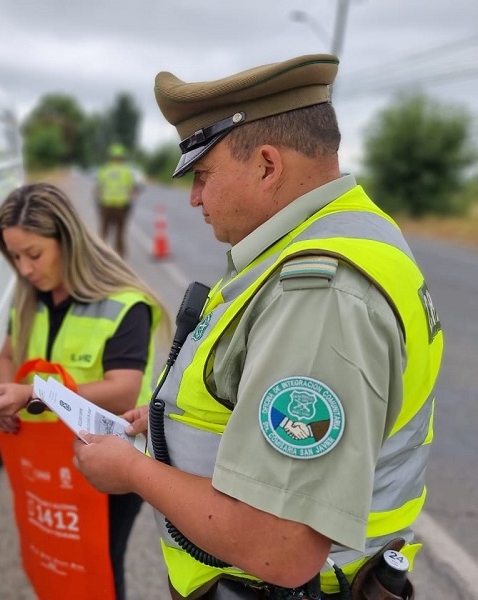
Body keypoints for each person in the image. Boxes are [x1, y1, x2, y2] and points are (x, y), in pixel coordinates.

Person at [72, 54, 444, 600]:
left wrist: (131, 472)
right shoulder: (350, 232)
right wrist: (162, 431)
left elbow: (283, 546)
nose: (195, 198)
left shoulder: (320, 296)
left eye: (202, 176)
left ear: (267, 165)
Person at [0, 182, 168, 600]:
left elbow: (123, 391)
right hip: (46, 461)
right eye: (15, 256)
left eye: (33, 254)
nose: (23, 269)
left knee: (98, 567)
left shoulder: (124, 304)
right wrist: (5, 389)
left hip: (106, 462)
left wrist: (31, 395)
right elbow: (7, 355)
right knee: (51, 555)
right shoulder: (29, 297)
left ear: (68, 241)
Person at [94, 143, 143, 258]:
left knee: (104, 231)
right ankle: (119, 256)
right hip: (121, 207)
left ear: (110, 157)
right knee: (120, 233)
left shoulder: (104, 170)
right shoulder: (126, 171)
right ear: (122, 157)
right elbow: (132, 190)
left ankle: (100, 254)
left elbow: (97, 190)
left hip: (106, 206)